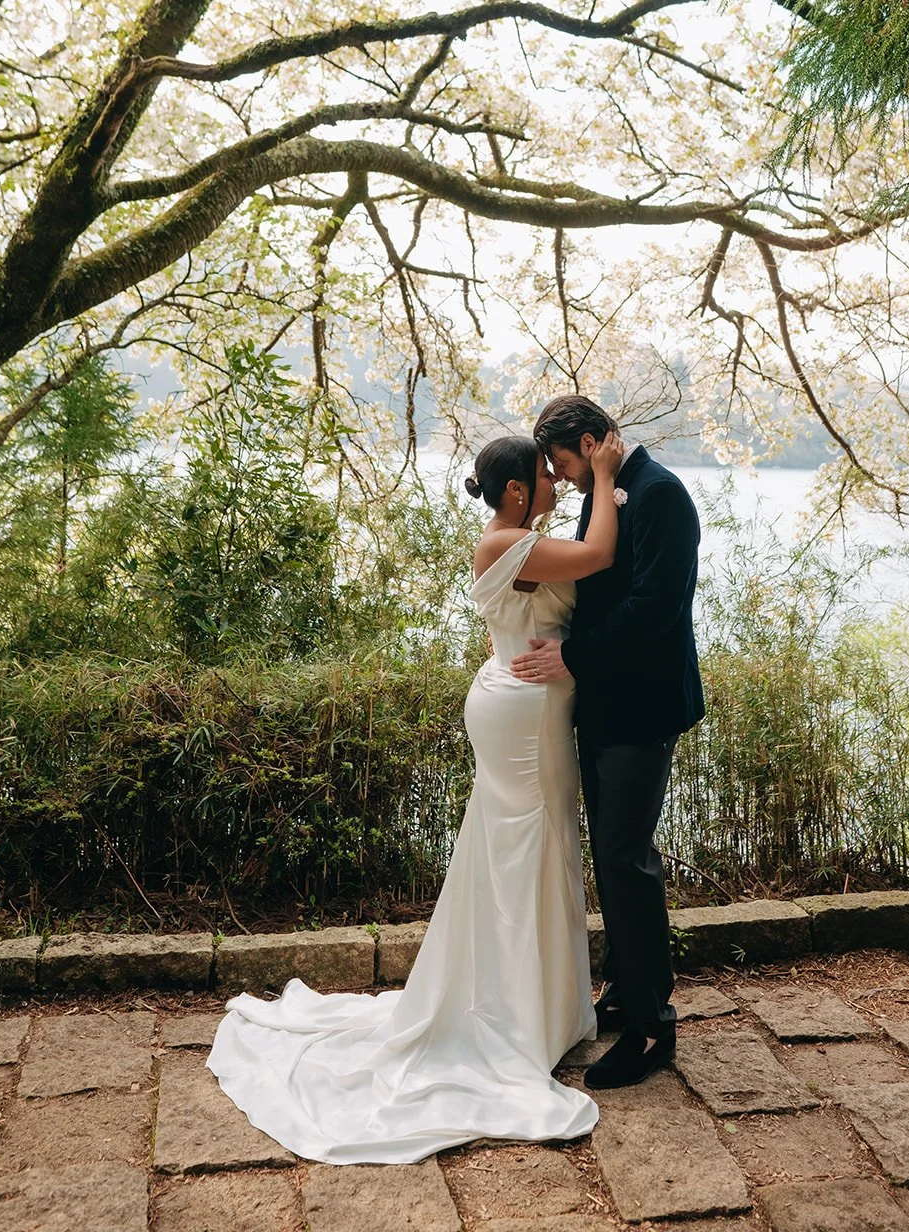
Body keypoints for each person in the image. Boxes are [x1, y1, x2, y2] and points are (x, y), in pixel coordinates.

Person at [206, 429, 624, 1164]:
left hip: (530, 708)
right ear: (518, 493)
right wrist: (605, 472)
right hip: (522, 719)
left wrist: (597, 488)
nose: (559, 487)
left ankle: (542, 1009)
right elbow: (596, 556)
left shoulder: (520, 536)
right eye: (546, 479)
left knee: (537, 844)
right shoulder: (503, 545)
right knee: (524, 849)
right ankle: (514, 1015)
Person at [511, 395, 702, 1091]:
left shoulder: (661, 495)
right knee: (613, 857)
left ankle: (653, 1024)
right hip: (600, 705)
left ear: (592, 442)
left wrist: (572, 657)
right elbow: (593, 584)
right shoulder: (608, 492)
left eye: (561, 463)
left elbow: (654, 610)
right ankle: (623, 993)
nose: (557, 480)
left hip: (642, 705)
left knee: (626, 860)